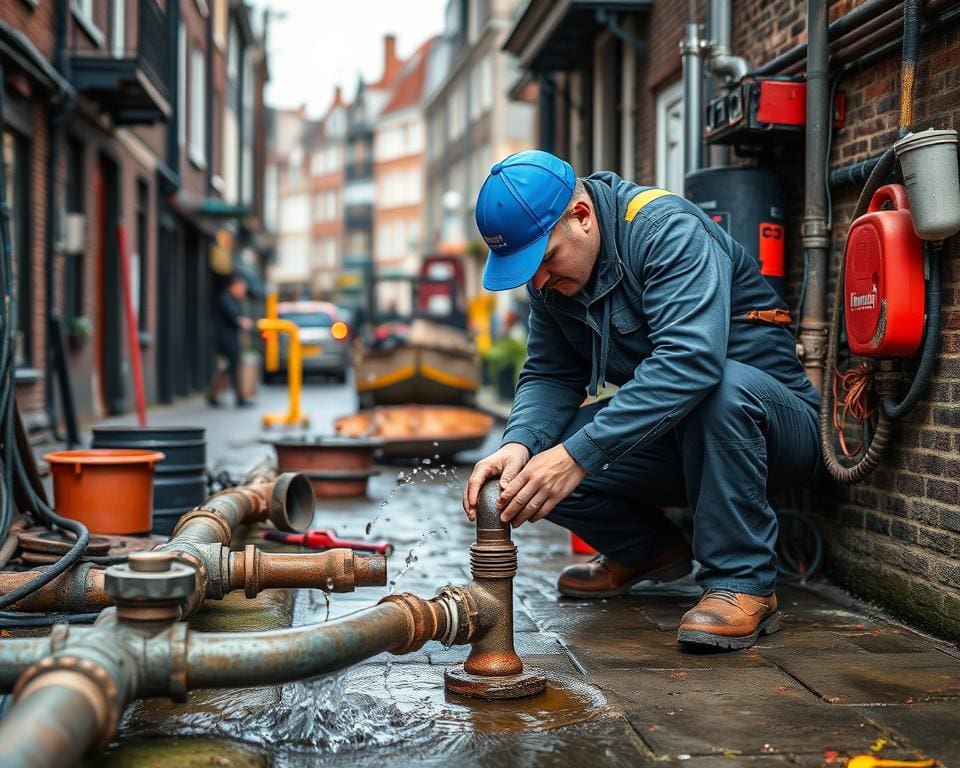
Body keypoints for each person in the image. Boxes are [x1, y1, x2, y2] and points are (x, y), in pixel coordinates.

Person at [462, 150, 820, 652]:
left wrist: (577, 457)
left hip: (771, 432)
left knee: (715, 390)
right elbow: (549, 373)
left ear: (581, 216)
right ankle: (648, 552)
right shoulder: (554, 285)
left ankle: (742, 583)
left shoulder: (665, 230)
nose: (538, 283)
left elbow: (691, 361)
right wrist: (519, 445)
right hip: (680, 436)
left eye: (543, 260)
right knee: (539, 463)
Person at [207, 274, 255, 408]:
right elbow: (235, 316)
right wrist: (244, 322)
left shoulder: (233, 300)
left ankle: (213, 394)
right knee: (235, 367)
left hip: (229, 339)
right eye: (241, 287)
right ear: (234, 286)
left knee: (229, 368)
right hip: (226, 340)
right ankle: (239, 398)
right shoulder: (226, 299)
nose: (243, 291)